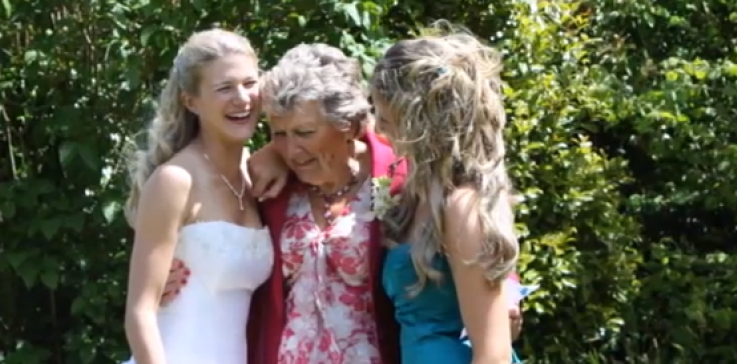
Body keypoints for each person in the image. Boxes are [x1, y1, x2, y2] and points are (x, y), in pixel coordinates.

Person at [160, 43, 525, 363]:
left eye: (304, 132)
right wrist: (171, 277)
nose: (291, 150)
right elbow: (214, 234)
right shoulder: (269, 183)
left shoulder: (399, 174)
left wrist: (506, 293)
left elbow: (475, 227)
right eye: (278, 134)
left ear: (348, 125)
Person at [122, 28, 277, 364]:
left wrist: (277, 151)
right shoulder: (175, 181)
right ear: (191, 102)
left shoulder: (258, 175)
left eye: (250, 83)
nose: (242, 98)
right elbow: (139, 312)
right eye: (224, 88)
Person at [370, 30, 520, 364]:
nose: (378, 130)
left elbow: (493, 355)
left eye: (386, 119)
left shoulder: (463, 206)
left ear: (419, 124)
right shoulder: (418, 195)